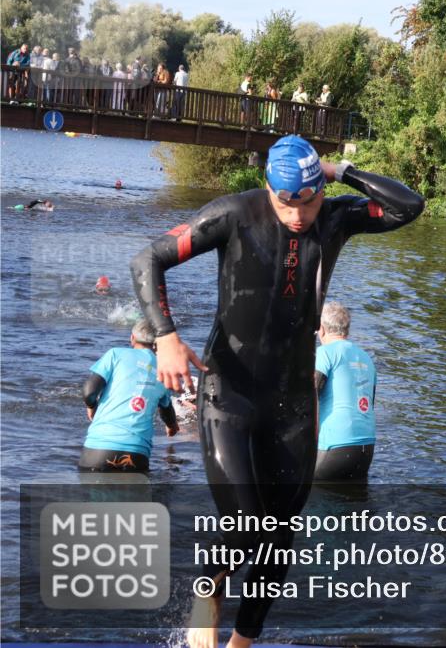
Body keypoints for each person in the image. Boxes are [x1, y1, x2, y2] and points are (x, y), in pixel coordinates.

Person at [129, 135, 424, 648]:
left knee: (279, 537)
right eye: (286, 202)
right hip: (230, 393)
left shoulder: (334, 218)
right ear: (268, 189)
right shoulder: (233, 214)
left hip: (292, 402)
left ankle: (242, 642)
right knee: (244, 525)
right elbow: (146, 261)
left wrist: (339, 171)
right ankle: (207, 590)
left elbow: (408, 207)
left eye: (308, 200)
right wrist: (166, 338)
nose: (298, 215)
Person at [79, 318, 177, 474]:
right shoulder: (164, 369)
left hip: (98, 450)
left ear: (132, 338)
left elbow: (89, 392)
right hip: (137, 454)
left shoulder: (115, 354)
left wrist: (91, 406)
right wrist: (172, 427)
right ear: (157, 344)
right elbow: (167, 410)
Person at [314, 302, 376, 481]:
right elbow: (369, 402)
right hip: (366, 449)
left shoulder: (324, 353)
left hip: (335, 447)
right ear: (346, 331)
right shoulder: (367, 358)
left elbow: (310, 397)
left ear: (321, 329)